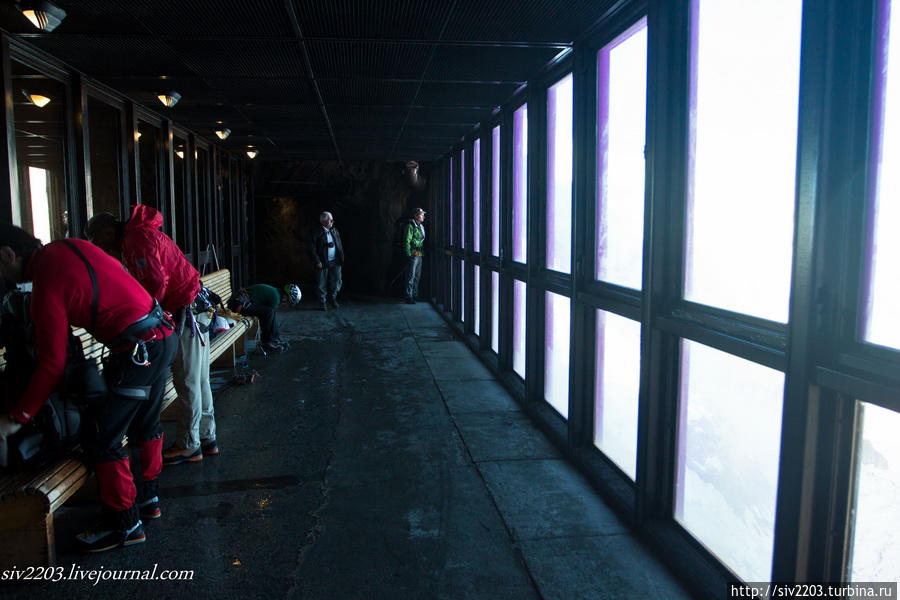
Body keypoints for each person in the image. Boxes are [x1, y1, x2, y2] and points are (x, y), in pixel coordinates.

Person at [0, 223, 177, 553]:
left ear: (8, 253)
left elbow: (50, 365)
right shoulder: (68, 246)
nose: (4, 277)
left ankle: (124, 525)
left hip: (138, 351)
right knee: (144, 424)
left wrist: (18, 416)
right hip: (162, 335)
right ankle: (148, 500)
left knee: (102, 438)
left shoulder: (46, 281)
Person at [85, 206, 219, 470]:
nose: (98, 247)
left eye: (97, 240)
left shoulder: (137, 239)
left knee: (187, 380)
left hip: (185, 311)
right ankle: (206, 436)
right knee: (198, 378)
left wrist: (152, 315)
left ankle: (190, 444)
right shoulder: (138, 236)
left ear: (109, 232)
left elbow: (156, 281)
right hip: (195, 307)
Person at [228, 283, 287, 352]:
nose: (285, 305)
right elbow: (270, 320)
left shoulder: (276, 293)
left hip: (243, 303)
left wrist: (277, 336)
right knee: (268, 313)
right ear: (285, 297)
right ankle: (267, 342)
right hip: (238, 305)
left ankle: (272, 339)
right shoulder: (276, 299)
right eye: (287, 302)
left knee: (269, 312)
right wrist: (275, 336)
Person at [308, 211, 344, 311]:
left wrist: (341, 258)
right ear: (323, 222)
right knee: (321, 283)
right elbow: (311, 248)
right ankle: (322, 301)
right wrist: (317, 261)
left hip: (335, 260)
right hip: (323, 261)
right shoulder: (316, 232)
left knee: (337, 280)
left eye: (332, 220)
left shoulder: (334, 230)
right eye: (330, 220)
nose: (332, 222)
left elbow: (339, 244)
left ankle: (332, 297)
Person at [403, 208, 426, 304]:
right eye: (421, 214)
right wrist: (408, 254)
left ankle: (415, 295)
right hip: (413, 254)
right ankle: (409, 296)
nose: (423, 216)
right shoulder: (410, 226)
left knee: (417, 275)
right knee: (411, 276)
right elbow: (406, 240)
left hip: (419, 254)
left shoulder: (421, 226)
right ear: (416, 216)